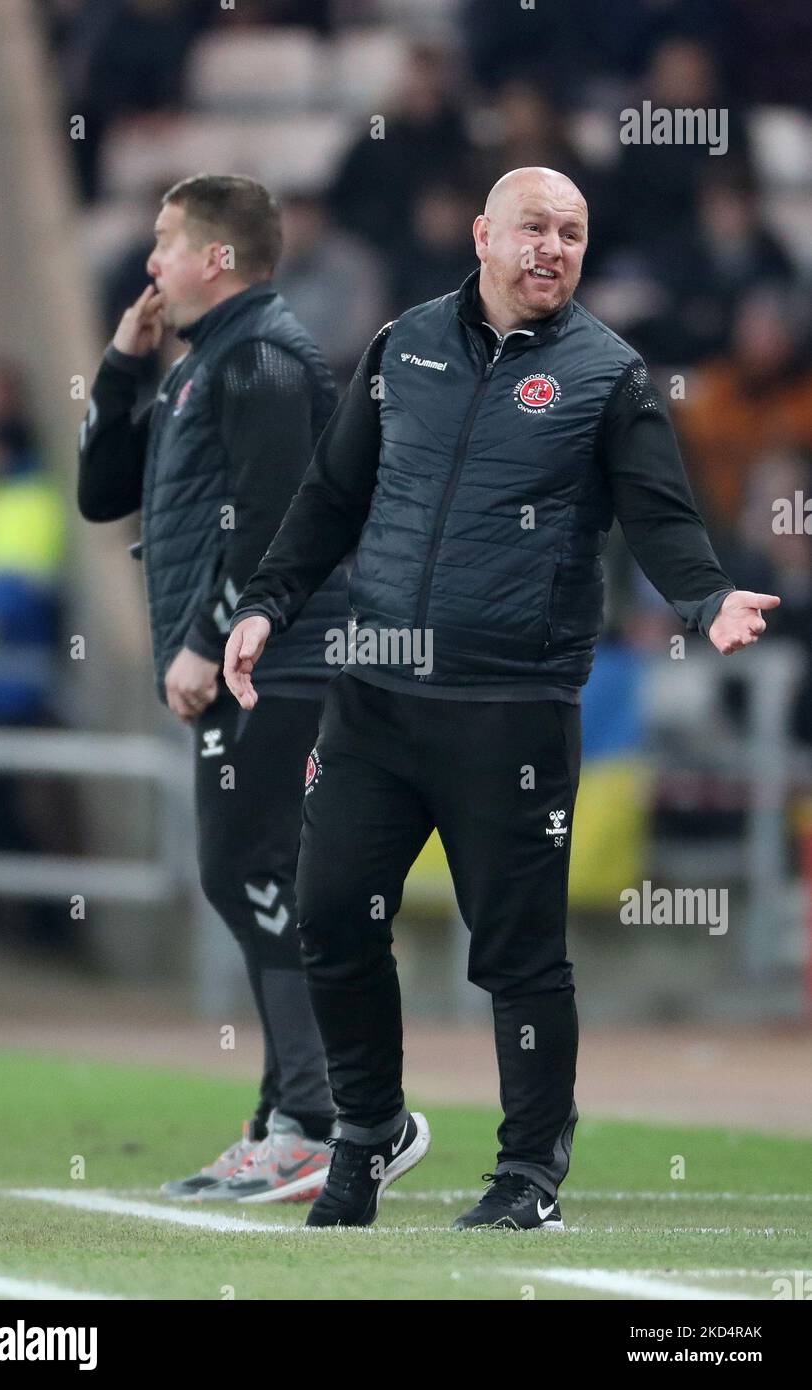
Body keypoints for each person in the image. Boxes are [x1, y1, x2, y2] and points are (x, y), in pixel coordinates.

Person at [222, 166, 780, 1231]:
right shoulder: (401, 347)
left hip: (512, 710)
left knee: (517, 957)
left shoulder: (608, 375)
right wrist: (265, 602)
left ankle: (527, 1174)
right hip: (375, 697)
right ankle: (368, 1130)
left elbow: (659, 515)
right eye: (533, 227)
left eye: (571, 233)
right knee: (331, 917)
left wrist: (704, 597)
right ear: (482, 233)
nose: (552, 248)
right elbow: (332, 495)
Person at [78, 174, 346, 1203]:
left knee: (254, 871)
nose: (149, 261)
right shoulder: (204, 367)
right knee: (247, 876)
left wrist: (201, 641)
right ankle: (289, 1115)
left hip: (280, 663)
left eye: (164, 241)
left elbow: (271, 516)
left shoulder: (264, 360)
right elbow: (104, 492)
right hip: (252, 663)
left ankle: (315, 1119)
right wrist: (119, 365)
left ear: (215, 259)